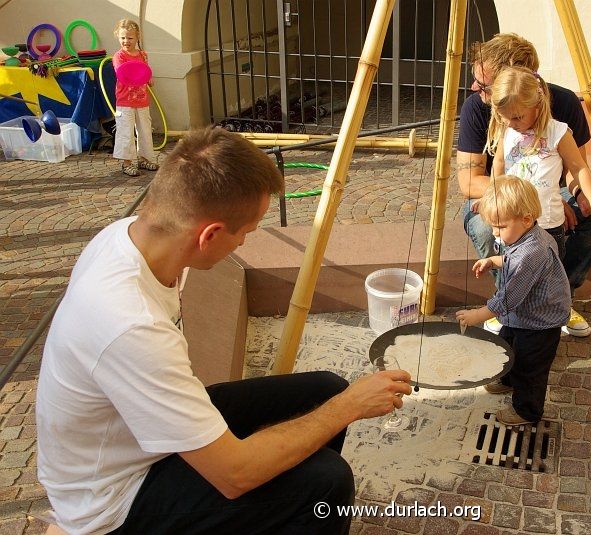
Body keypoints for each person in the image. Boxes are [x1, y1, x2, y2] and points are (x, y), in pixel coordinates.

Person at [36, 127, 412, 534]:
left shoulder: (132, 237)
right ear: (210, 234)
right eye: (246, 233)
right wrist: (351, 407)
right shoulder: (130, 323)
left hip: (140, 442)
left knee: (326, 389)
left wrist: (340, 403)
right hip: (113, 501)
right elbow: (235, 475)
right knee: (326, 480)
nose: (245, 244)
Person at [456, 33, 591, 337]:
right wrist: (525, 202)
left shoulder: (564, 104)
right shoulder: (477, 108)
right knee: (484, 226)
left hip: (549, 194)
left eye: (484, 85)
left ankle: (556, 298)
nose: (474, 89)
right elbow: (469, 182)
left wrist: (580, 196)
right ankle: (511, 301)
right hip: (502, 193)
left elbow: (576, 168)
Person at [455, 175, 570, 426]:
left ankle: (526, 411)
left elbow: (508, 300)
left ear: (526, 219)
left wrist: (477, 315)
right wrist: (494, 261)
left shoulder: (531, 252)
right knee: (507, 346)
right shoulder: (528, 236)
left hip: (540, 323)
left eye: (500, 227)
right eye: (493, 227)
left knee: (530, 369)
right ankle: (507, 380)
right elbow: (512, 260)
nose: (495, 234)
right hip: (522, 318)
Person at [487, 66, 591, 260]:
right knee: (513, 277)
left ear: (537, 104)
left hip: (547, 225)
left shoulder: (558, 133)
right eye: (504, 117)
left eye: (518, 117)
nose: (511, 123)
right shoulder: (508, 131)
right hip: (512, 225)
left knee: (548, 279)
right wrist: (491, 196)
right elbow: (499, 165)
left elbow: (579, 168)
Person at [112, 19, 159, 177]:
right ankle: (127, 162)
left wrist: (149, 79)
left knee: (145, 129)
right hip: (125, 101)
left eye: (130, 38)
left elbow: (146, 73)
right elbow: (123, 73)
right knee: (125, 130)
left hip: (141, 100)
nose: (126, 41)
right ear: (118, 37)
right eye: (123, 38)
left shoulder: (143, 55)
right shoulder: (119, 56)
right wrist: (140, 77)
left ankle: (145, 158)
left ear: (137, 37)